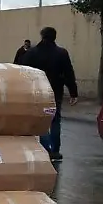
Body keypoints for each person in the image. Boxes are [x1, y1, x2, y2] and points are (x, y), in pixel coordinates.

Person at [19, 26, 78, 161]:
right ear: (54, 37)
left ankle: (45, 149)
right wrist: (73, 92)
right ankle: (55, 151)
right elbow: (69, 73)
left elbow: (23, 71)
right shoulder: (62, 53)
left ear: (42, 36)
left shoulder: (31, 53)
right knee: (55, 120)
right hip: (55, 91)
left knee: (41, 120)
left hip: (37, 91)